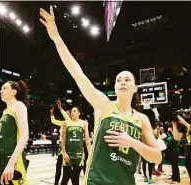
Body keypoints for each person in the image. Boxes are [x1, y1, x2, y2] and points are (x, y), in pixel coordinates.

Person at [39, 6, 161, 185]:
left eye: (127, 80)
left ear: (135, 87)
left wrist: (133, 143)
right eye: (119, 80)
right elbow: (77, 74)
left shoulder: (142, 119)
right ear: (115, 86)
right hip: (97, 181)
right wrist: (57, 38)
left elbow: (157, 157)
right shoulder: (104, 104)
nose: (123, 82)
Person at [0, 80, 29, 185]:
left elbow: (25, 134)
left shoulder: (19, 106)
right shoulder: (5, 111)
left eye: (4, 88)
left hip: (12, 158)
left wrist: (11, 163)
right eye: (1, 89)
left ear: (13, 92)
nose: (1, 91)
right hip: (1, 157)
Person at [61, 107, 91, 185]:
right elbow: (63, 139)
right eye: (71, 111)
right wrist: (64, 153)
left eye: (74, 111)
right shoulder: (66, 123)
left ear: (79, 113)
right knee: (65, 177)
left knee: (76, 178)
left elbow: (87, 140)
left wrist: (91, 154)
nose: (72, 113)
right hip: (68, 155)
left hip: (79, 155)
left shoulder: (84, 123)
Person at [50, 100, 71, 185]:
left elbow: (67, 118)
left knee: (66, 169)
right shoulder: (63, 123)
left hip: (67, 147)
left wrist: (60, 108)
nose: (65, 114)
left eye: (67, 113)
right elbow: (53, 121)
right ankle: (55, 183)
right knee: (58, 167)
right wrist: (51, 113)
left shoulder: (70, 122)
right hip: (60, 148)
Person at [174, 115, 191, 184]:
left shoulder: (186, 123)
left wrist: (184, 123)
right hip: (188, 152)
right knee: (188, 167)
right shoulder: (185, 125)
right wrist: (174, 124)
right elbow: (176, 137)